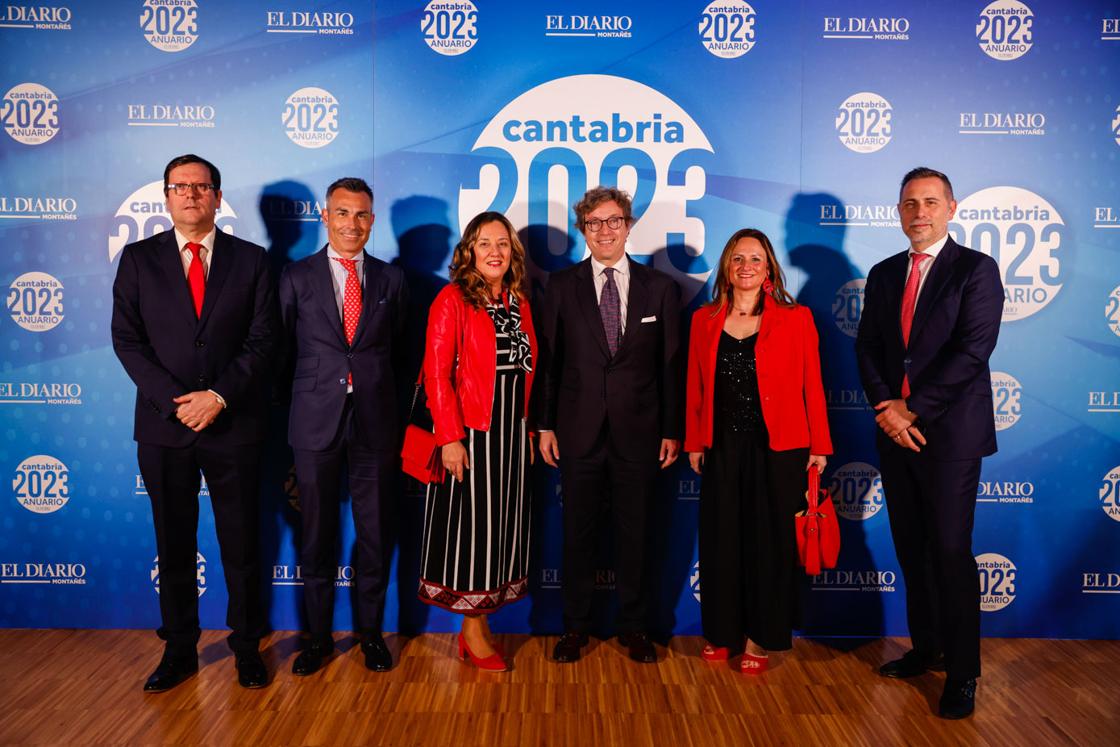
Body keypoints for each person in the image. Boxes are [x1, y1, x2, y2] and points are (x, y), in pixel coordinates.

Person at [111, 153, 279, 691]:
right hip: (165, 427)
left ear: (218, 197)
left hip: (234, 425)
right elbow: (127, 341)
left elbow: (263, 340)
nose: (190, 195)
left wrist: (219, 396)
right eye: (180, 187)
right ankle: (179, 649)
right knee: (174, 543)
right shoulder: (138, 260)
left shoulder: (252, 261)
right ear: (165, 197)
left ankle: (247, 647)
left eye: (201, 186)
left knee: (243, 542)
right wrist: (178, 401)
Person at [855, 167, 1003, 719]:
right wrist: (886, 409)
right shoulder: (884, 272)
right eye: (910, 203)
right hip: (895, 433)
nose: (920, 212)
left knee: (948, 550)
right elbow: (868, 346)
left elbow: (973, 351)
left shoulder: (976, 269)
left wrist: (911, 407)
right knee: (912, 548)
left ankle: (963, 672)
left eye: (930, 202)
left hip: (949, 435)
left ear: (951, 207)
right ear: (898, 211)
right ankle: (927, 647)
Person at [536, 186, 683, 664]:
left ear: (629, 225)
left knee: (636, 534)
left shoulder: (660, 288)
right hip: (576, 432)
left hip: (640, 433)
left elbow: (670, 367)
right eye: (594, 222)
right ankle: (574, 627)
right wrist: (544, 425)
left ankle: (635, 627)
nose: (604, 230)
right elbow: (550, 363)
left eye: (613, 220)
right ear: (583, 230)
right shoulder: (560, 286)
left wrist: (671, 428)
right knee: (576, 534)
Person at [684, 228, 832, 674]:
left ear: (769, 269)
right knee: (721, 541)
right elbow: (694, 386)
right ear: (727, 269)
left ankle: (760, 637)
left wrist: (820, 445)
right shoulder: (704, 320)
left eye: (756, 258)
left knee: (770, 545)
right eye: (738, 258)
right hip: (723, 445)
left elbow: (813, 383)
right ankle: (722, 632)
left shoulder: (796, 318)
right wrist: (694, 440)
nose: (746, 266)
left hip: (782, 447)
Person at [279, 177, 408, 676]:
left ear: (372, 222)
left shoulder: (392, 279)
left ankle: (371, 633)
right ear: (325, 217)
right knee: (317, 533)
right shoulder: (294, 276)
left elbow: (401, 353)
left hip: (376, 422)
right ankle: (316, 638)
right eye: (342, 213)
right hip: (314, 422)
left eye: (361, 215)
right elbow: (282, 354)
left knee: (375, 532)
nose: (352, 224)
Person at [418, 211, 538, 672]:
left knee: (500, 530)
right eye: (485, 243)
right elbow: (436, 373)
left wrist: (526, 427)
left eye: (503, 244)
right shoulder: (452, 300)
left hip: (510, 431)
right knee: (473, 532)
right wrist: (449, 436)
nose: (495, 252)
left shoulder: (518, 302)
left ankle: (482, 624)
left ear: (513, 253)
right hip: (471, 431)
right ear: (469, 250)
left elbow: (525, 374)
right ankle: (471, 631)